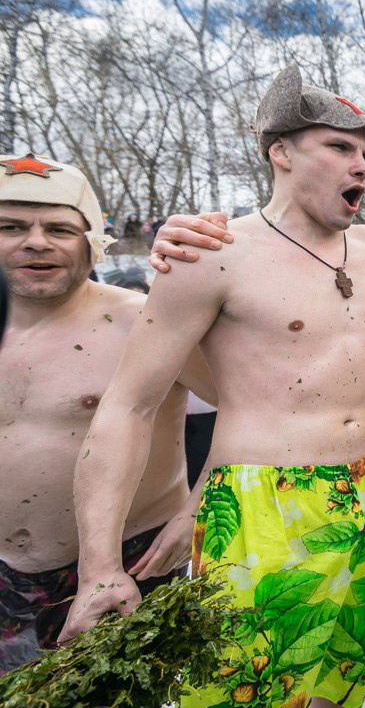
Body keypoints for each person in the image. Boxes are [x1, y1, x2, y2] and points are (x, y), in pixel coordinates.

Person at [59, 65, 365, 708]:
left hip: (364, 490)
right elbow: (130, 403)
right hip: (262, 511)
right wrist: (100, 565)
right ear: (280, 152)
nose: (361, 164)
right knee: (243, 695)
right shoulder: (214, 252)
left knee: (342, 678)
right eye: (339, 146)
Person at [0, 154, 209, 674]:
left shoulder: (143, 321)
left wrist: (196, 513)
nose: (37, 242)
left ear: (91, 242)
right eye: (11, 226)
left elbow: (254, 412)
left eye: (60, 229)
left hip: (134, 564)